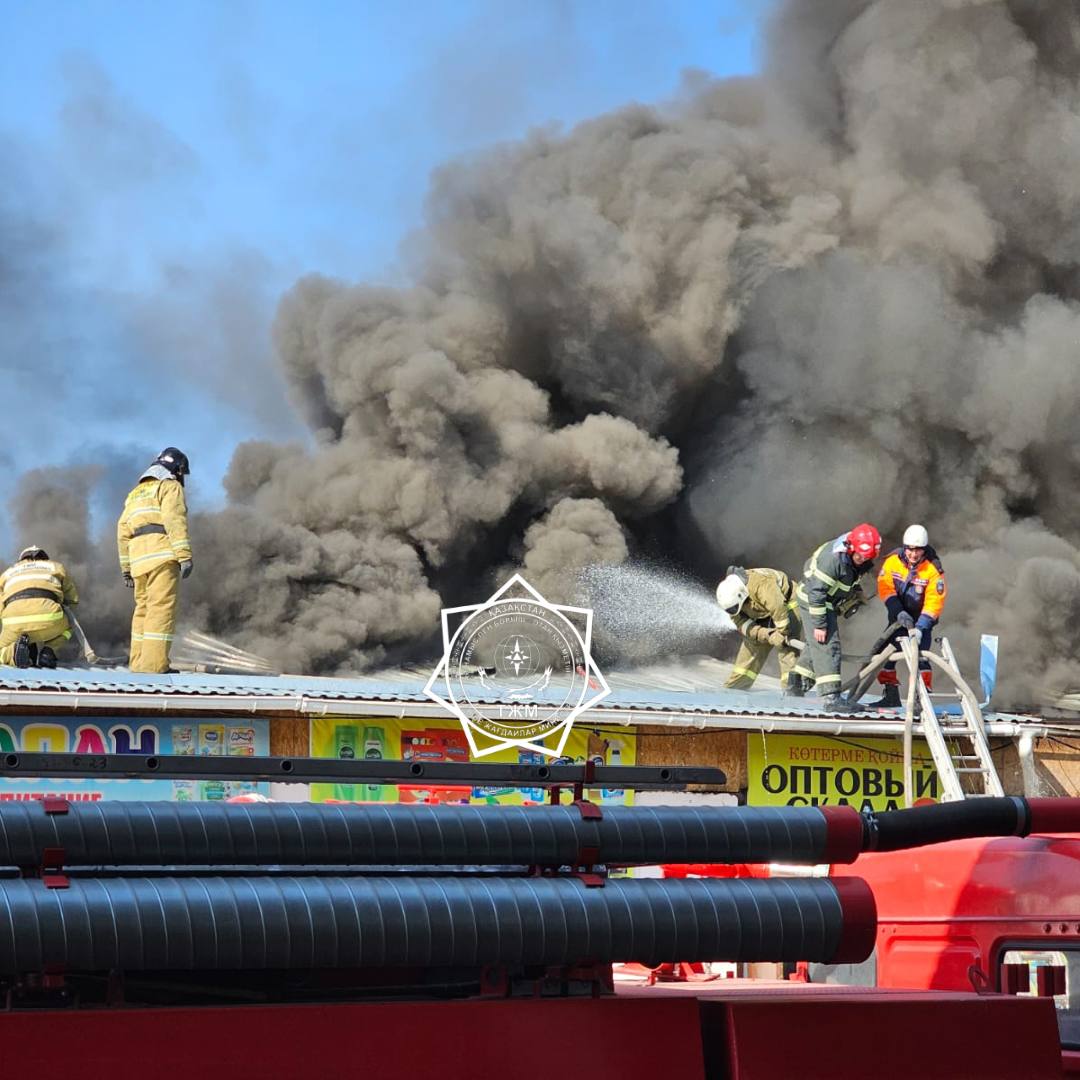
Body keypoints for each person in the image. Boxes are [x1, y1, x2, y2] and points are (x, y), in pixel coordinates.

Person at [117, 447, 192, 674]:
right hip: (161, 555)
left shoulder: (134, 494)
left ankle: (138, 664)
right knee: (160, 610)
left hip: (139, 560)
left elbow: (122, 531)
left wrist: (126, 568)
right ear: (176, 469)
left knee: (142, 612)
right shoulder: (169, 486)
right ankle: (154, 666)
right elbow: (173, 520)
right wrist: (184, 555)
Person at [794, 523, 882, 712]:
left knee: (814, 644)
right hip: (814, 601)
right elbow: (816, 592)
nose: (861, 560)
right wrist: (820, 625)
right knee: (827, 644)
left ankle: (796, 685)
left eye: (866, 557)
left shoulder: (856, 555)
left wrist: (854, 593)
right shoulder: (832, 560)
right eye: (859, 556)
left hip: (826, 601)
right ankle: (831, 698)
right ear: (851, 548)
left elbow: (849, 577)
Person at [868, 524, 947, 708]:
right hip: (898, 615)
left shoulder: (933, 570)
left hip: (922, 619)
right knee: (884, 655)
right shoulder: (893, 561)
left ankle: (922, 701)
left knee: (919, 657)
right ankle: (891, 695)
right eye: (910, 549)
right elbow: (885, 586)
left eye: (918, 550)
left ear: (924, 549)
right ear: (905, 547)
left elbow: (934, 601)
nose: (913, 554)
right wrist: (897, 610)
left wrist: (920, 628)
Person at [717, 566, 813, 697]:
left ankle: (792, 693)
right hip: (762, 614)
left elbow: (778, 609)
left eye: (734, 608)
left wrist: (782, 633)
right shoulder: (732, 602)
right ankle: (734, 690)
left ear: (741, 594)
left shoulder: (760, 584)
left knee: (786, 650)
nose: (734, 611)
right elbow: (744, 626)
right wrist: (767, 634)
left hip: (787, 604)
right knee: (750, 648)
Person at [0, 546, 79, 668]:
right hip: (51, 620)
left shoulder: (7, 573)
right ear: (44, 558)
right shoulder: (56, 567)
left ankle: (12, 653)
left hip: (14, 623)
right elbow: (72, 601)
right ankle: (49, 652)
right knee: (71, 624)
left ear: (22, 559)